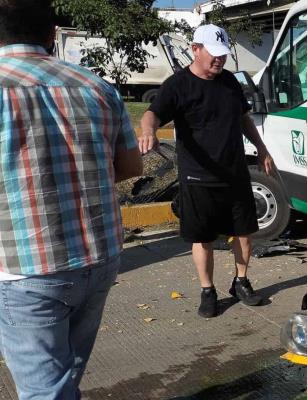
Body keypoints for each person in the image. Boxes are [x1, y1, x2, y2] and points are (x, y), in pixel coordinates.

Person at [0, 1, 144, 398]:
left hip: (27, 268)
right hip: (99, 257)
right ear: (52, 34)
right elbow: (131, 166)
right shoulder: (97, 86)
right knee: (68, 373)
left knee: (45, 390)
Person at [139, 24, 274, 318]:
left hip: (235, 173)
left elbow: (243, 118)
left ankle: (241, 282)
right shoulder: (178, 85)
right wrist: (147, 130)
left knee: (245, 233)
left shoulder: (229, 82)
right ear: (196, 49)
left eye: (224, 55)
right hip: (198, 177)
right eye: (214, 54)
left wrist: (262, 148)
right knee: (204, 238)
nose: (220, 60)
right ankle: (207, 290)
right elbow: (152, 113)